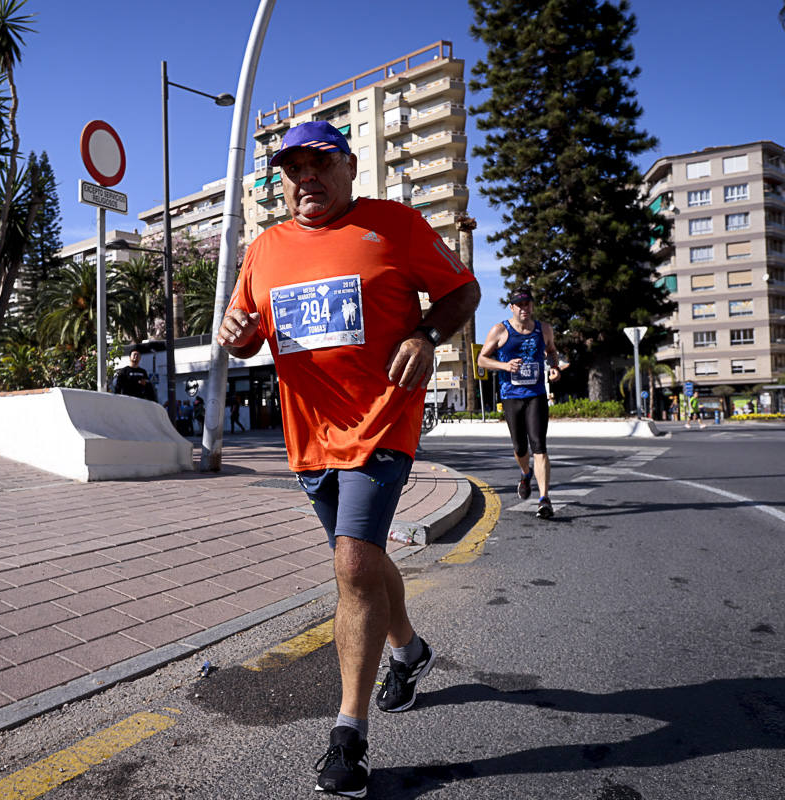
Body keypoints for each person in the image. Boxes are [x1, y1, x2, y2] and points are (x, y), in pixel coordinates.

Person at [215, 120, 480, 798]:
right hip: (309, 439)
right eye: (293, 168)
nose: (306, 176)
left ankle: (348, 735)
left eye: (320, 162)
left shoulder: (394, 226)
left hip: (384, 420)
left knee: (354, 561)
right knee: (360, 557)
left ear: (349, 167)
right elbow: (245, 337)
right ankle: (410, 652)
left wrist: (426, 334)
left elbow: (462, 291)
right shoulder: (266, 248)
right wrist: (235, 335)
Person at [477, 287, 563, 520]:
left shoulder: (543, 329)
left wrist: (554, 368)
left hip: (536, 394)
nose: (524, 308)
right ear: (512, 307)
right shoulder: (500, 330)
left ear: (532, 306)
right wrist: (505, 366)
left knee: (539, 445)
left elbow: (552, 351)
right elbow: (482, 359)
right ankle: (526, 474)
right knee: (520, 447)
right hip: (511, 395)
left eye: (527, 304)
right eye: (519, 305)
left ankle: (544, 499)